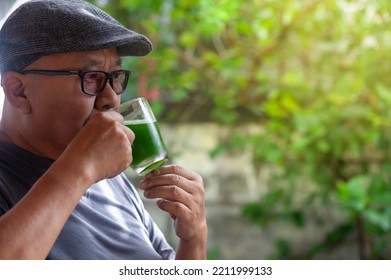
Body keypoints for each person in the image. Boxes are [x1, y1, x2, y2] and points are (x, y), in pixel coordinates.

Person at [0, 0, 207, 260]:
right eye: (90, 77)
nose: (111, 99)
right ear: (19, 92)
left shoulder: (112, 181)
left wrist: (194, 237)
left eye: (115, 77)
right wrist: (80, 168)